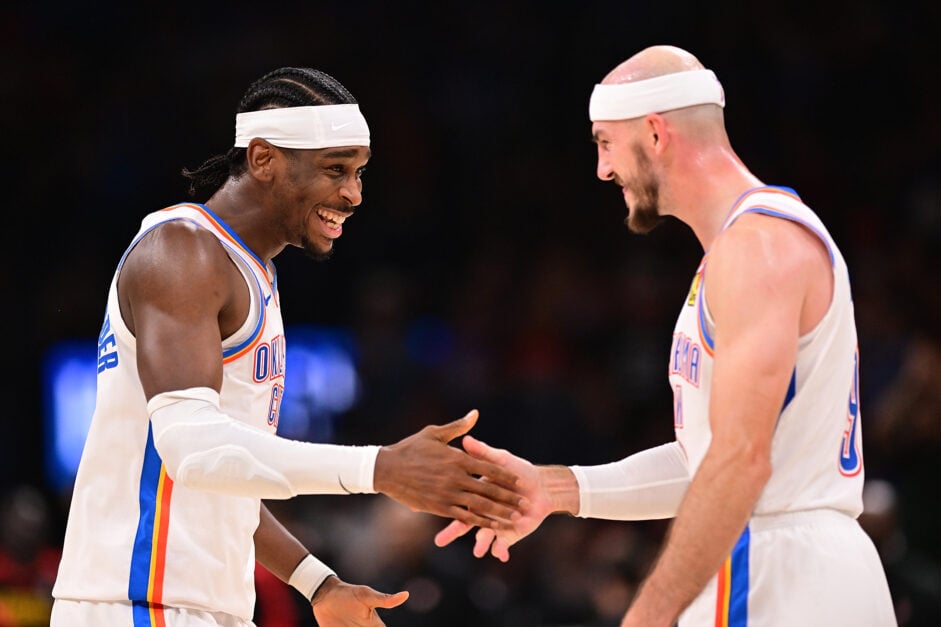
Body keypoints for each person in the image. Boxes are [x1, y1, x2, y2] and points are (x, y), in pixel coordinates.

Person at [436, 45, 897, 626]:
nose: (603, 168)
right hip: (795, 565)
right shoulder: (739, 248)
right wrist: (554, 490)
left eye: (605, 142)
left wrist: (648, 614)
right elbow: (706, 464)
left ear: (655, 134)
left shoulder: (758, 246)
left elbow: (738, 464)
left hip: (777, 573)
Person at [50, 66, 524, 627]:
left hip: (197, 605)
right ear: (263, 159)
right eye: (335, 170)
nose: (353, 193)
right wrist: (381, 468)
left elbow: (227, 479)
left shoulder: (255, 273)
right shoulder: (181, 252)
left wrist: (316, 582)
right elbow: (191, 449)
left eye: (359, 172)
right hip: (137, 602)